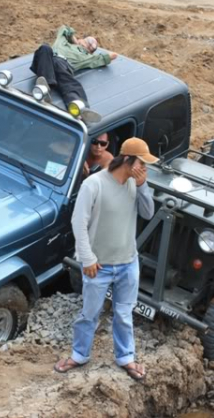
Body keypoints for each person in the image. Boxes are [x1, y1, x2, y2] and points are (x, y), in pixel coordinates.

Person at [54, 137, 156, 381]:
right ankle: (79, 355)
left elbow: (148, 213)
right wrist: (87, 258)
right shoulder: (94, 184)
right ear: (128, 160)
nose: (145, 168)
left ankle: (126, 358)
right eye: (142, 163)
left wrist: (143, 187)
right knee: (89, 314)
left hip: (128, 263)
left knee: (124, 314)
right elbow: (78, 222)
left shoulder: (135, 184)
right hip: (98, 266)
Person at [30, 25, 118, 122]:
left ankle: (80, 109)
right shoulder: (63, 42)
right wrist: (76, 42)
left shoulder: (88, 57)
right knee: (45, 47)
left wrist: (90, 51)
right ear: (80, 39)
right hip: (46, 61)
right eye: (88, 41)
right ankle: (44, 87)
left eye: (92, 47)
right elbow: (64, 28)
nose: (89, 45)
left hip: (62, 66)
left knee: (72, 84)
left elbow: (113, 56)